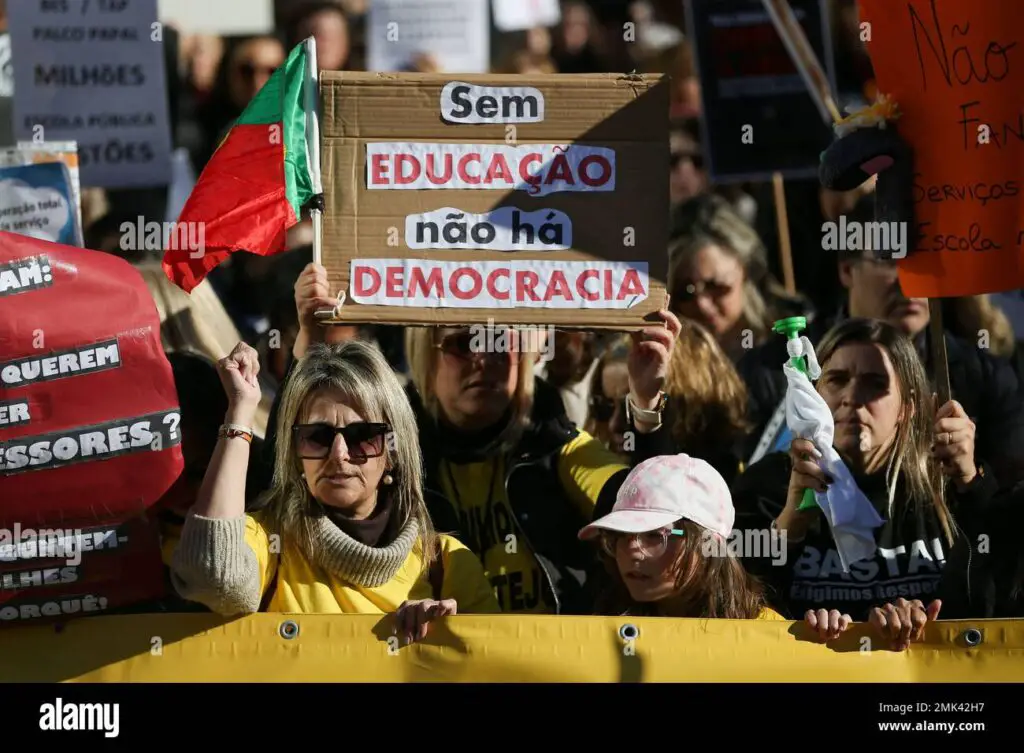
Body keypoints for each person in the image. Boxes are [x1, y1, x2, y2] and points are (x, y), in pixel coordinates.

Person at [276, 262, 683, 615]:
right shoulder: (380, 450)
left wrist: (646, 407)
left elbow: (651, 511)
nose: (482, 359)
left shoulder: (557, 446)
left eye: (499, 341)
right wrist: (308, 350)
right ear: (426, 352)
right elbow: (278, 486)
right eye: (462, 342)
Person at [169, 339, 499, 640]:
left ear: (393, 453)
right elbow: (211, 573)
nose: (339, 454)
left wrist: (447, 633)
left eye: (362, 435)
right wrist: (240, 414)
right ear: (295, 454)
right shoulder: (269, 544)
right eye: (317, 436)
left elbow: (492, 666)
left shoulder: (447, 563)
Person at [738, 195, 1024, 484]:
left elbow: (1007, 505)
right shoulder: (777, 370)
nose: (909, 280)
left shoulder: (986, 378)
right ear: (847, 269)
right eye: (890, 260)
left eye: (923, 261)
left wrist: (970, 478)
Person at [733, 318, 998, 622]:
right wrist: (789, 526)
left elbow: (999, 591)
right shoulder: (769, 483)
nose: (852, 398)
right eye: (836, 379)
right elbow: (730, 600)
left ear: (907, 407)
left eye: (875, 384)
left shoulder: (944, 483)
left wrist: (970, 483)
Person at [580, 454, 785, 620]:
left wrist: (815, 642)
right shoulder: (601, 625)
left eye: (654, 535)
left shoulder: (765, 630)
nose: (632, 549)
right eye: (620, 534)